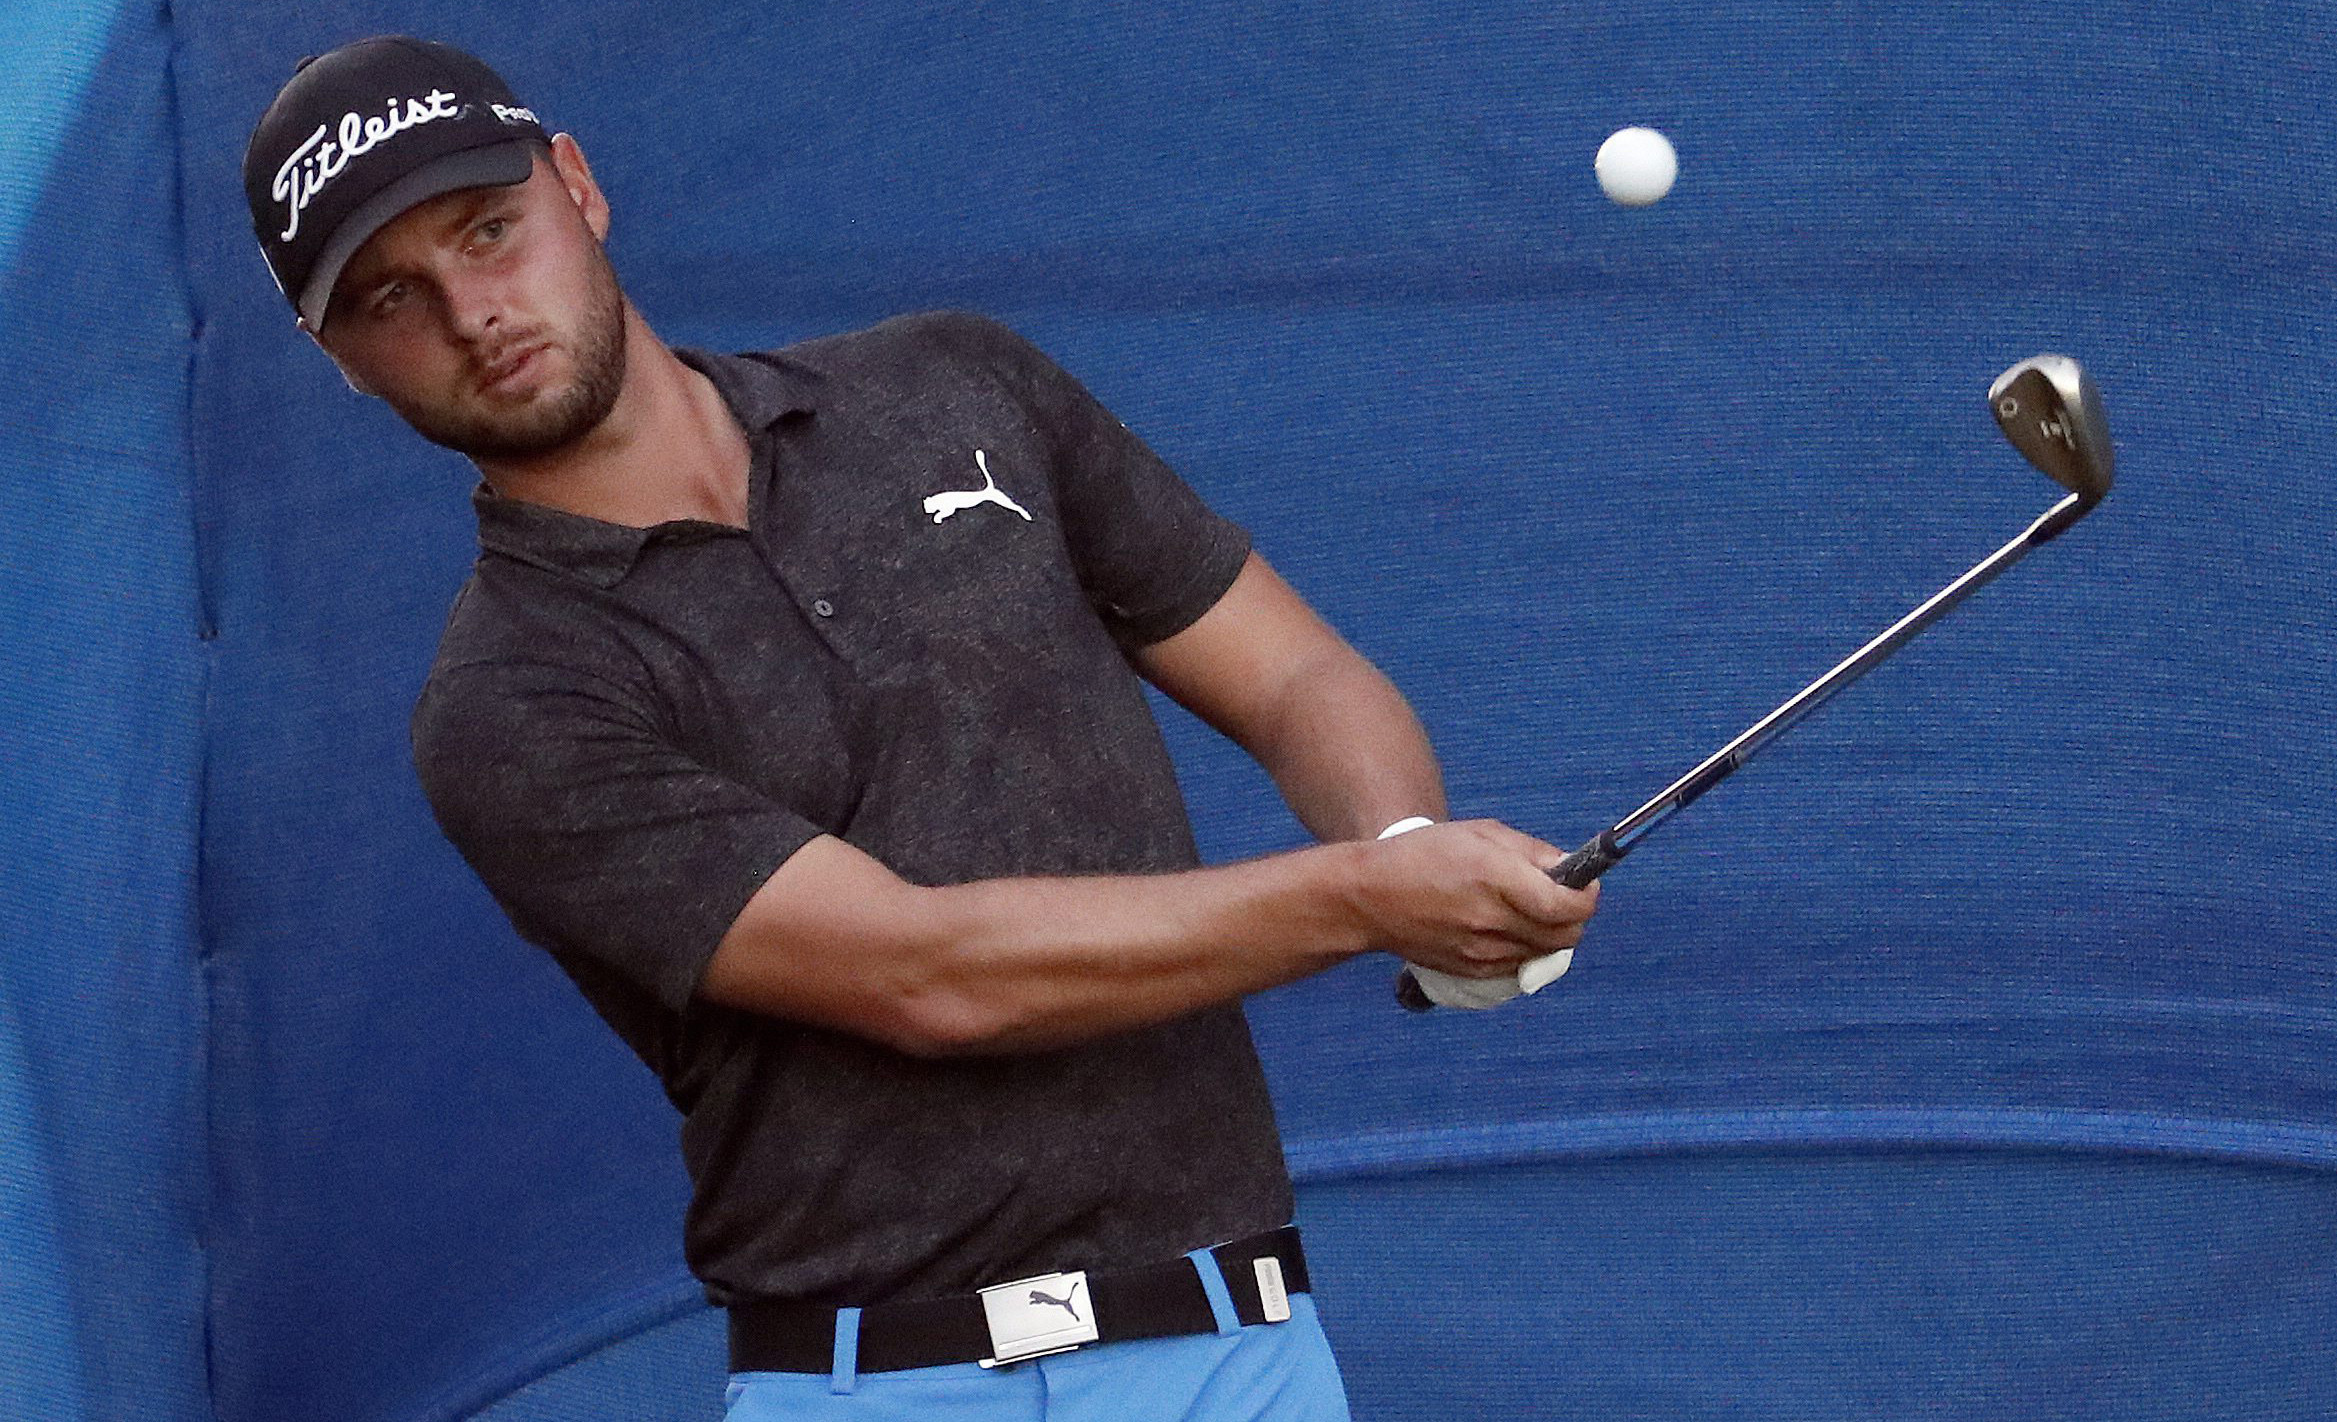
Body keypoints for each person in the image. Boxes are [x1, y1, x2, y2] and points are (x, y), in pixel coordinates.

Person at [243, 35, 1598, 1421]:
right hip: (883, 1384)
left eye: (489, 231)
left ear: (576, 187)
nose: (476, 311)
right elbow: (927, 975)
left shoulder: (956, 386)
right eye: (396, 296)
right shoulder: (508, 702)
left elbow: (1293, 675)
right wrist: (1373, 897)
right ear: (340, 360)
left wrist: (1412, 845)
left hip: (1235, 1345)